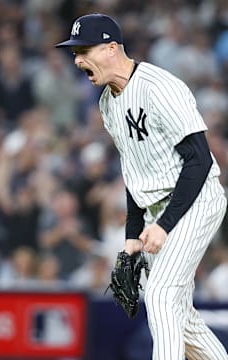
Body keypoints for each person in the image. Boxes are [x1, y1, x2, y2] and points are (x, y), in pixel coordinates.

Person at [56, 13, 228, 360]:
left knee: (161, 294)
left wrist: (164, 226)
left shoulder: (159, 87)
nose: (77, 60)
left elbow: (200, 161)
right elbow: (133, 171)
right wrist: (133, 235)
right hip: (156, 210)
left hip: (195, 198)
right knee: (181, 317)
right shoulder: (107, 102)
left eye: (84, 50)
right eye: (74, 52)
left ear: (111, 48)